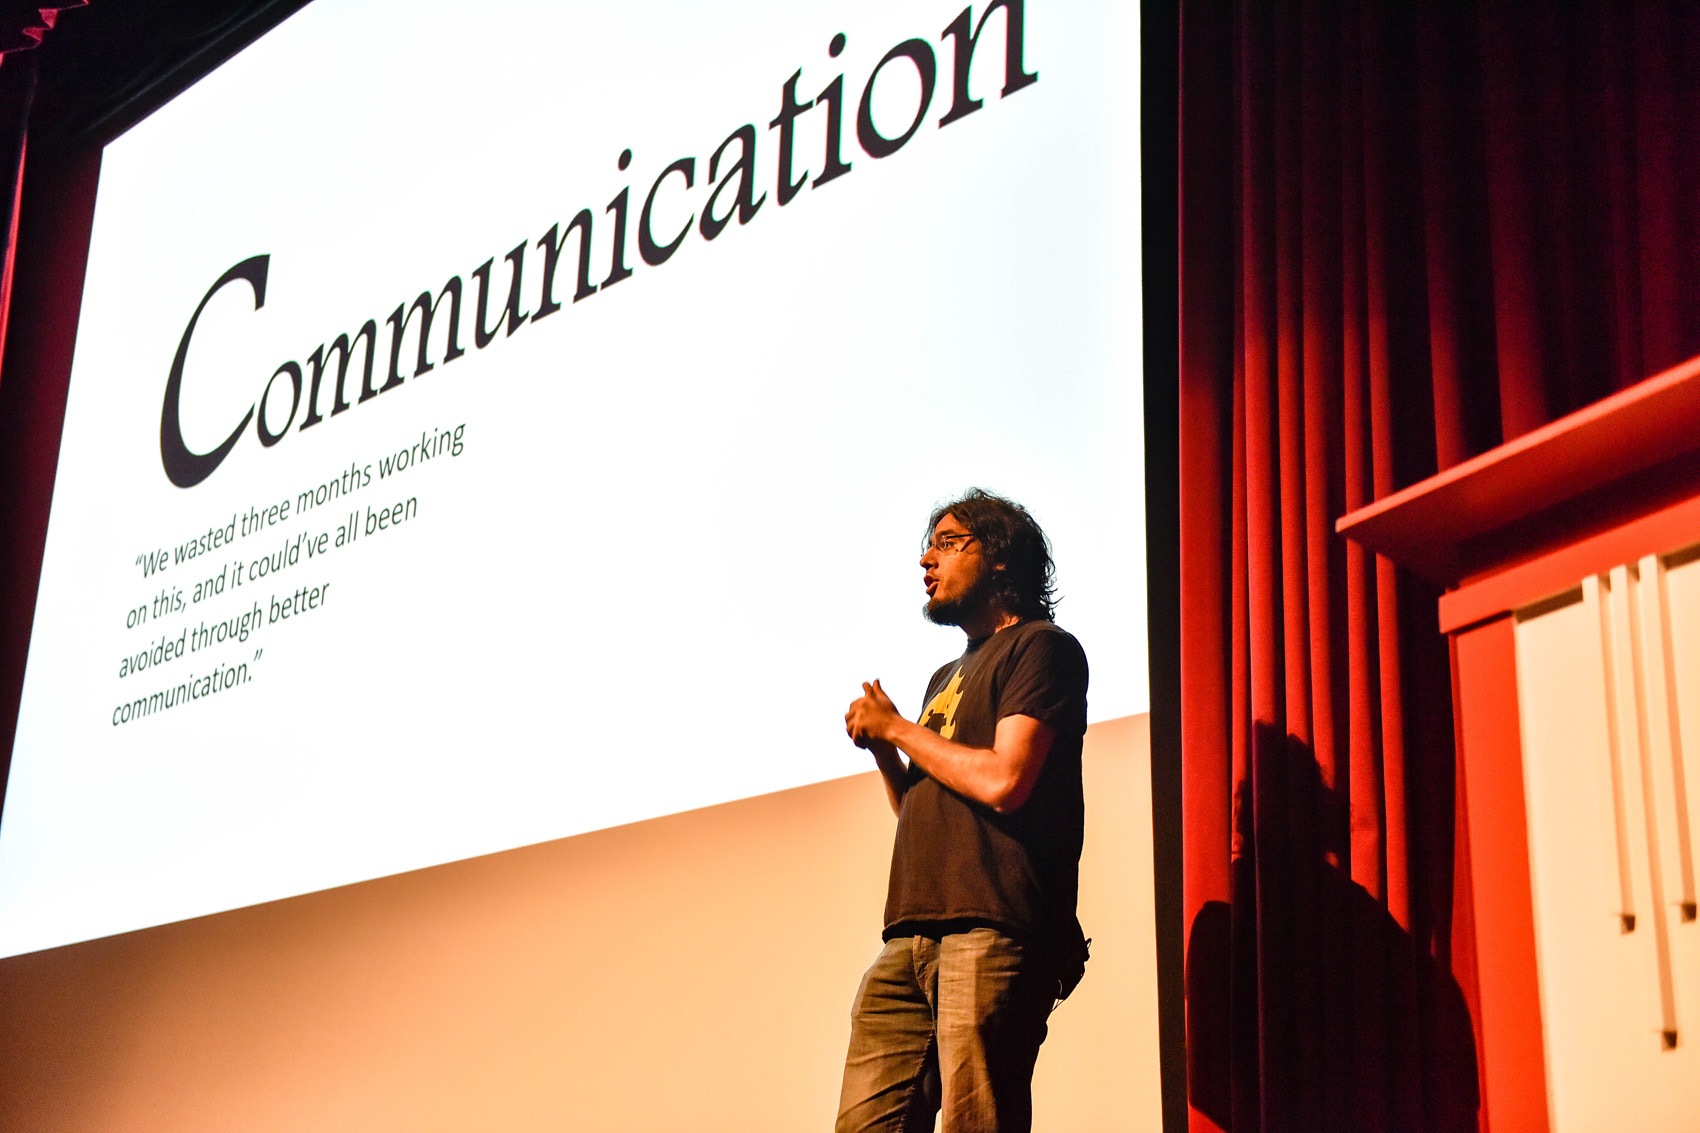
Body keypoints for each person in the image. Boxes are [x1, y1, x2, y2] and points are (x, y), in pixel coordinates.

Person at [836, 488, 1090, 1133]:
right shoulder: (944, 675)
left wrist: (896, 728)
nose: (927, 560)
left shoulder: (1042, 647)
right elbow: (921, 811)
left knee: (978, 1125)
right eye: (928, 546)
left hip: (993, 925)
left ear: (1001, 559)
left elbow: (1006, 781)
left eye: (948, 543)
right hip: (909, 933)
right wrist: (885, 751)